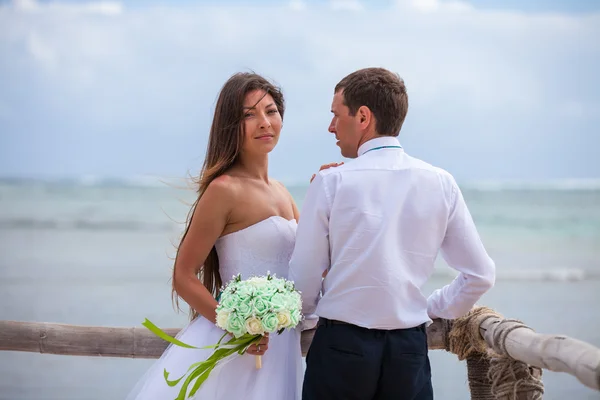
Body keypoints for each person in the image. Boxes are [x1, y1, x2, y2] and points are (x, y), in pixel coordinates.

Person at [289, 67, 496, 400]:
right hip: (409, 350)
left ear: (363, 117)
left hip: (340, 349)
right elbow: (480, 275)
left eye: (336, 115)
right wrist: (426, 308)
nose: (331, 127)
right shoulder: (440, 181)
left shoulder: (331, 183)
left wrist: (302, 319)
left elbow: (304, 281)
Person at [127, 72, 309, 400]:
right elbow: (183, 276)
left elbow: (311, 258)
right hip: (236, 348)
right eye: (248, 115)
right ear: (230, 126)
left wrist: (330, 188)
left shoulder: (282, 191)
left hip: (282, 346)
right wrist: (236, 327)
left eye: (270, 111)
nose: (264, 122)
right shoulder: (223, 191)